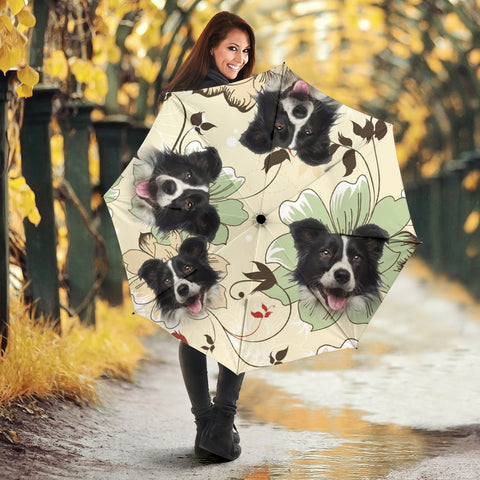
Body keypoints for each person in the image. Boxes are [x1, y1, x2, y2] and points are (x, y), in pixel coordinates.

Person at [161, 11, 256, 461]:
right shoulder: (214, 101)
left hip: (200, 226)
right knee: (234, 320)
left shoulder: (183, 98)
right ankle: (219, 423)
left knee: (196, 321)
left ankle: (209, 426)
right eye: (231, 48)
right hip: (220, 224)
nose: (239, 57)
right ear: (212, 48)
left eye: (245, 49)